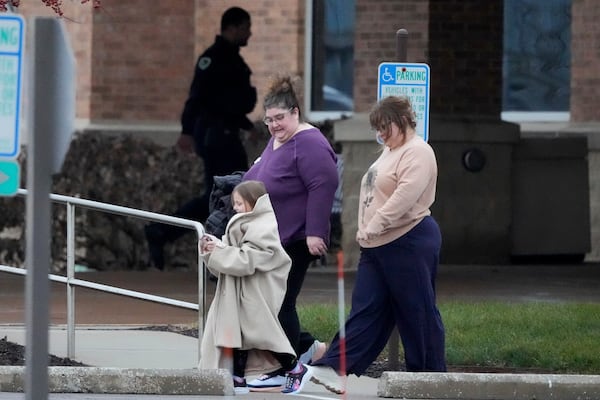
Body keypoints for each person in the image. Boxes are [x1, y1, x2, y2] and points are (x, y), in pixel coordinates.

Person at [290, 95, 447, 394]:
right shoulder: (389, 151)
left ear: (402, 121)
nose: (381, 134)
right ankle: (336, 365)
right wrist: (367, 230)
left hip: (409, 240)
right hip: (376, 247)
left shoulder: (418, 152)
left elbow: (405, 196)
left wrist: (374, 226)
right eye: (377, 128)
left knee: (416, 310)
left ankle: (428, 376)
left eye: (385, 126)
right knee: (366, 308)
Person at [242, 75, 339, 391]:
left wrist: (315, 232)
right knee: (269, 303)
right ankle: (308, 349)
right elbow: (259, 174)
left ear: (296, 112)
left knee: (279, 304)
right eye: (268, 120)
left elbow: (323, 185)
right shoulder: (278, 140)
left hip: (297, 239)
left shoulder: (309, 142)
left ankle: (291, 368)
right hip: (273, 238)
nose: (273, 125)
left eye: (279, 118)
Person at [144, 6, 257, 270]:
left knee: (224, 195)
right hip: (216, 137)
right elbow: (199, 98)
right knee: (224, 196)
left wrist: (245, 124)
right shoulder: (213, 59)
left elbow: (228, 103)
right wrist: (186, 131)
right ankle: (204, 251)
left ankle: (165, 233)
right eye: (246, 27)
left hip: (225, 134)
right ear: (234, 27)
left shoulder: (232, 60)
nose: (249, 33)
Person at [198, 180, 312, 394]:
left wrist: (219, 252)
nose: (236, 208)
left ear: (254, 203)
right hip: (238, 290)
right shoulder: (243, 223)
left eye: (240, 203)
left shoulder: (263, 226)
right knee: (237, 332)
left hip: (255, 292)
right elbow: (234, 254)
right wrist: (214, 249)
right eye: (235, 203)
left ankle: (294, 367)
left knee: (261, 333)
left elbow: (249, 258)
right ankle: (238, 377)